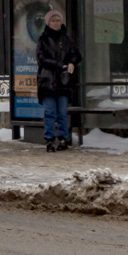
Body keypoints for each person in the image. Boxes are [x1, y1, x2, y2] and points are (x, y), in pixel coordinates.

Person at [36, 9, 82, 151]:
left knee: (62, 112)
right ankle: (49, 139)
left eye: (58, 20)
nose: (56, 23)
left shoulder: (66, 39)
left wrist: (72, 62)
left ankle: (63, 138)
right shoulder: (43, 39)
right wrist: (59, 64)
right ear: (48, 23)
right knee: (50, 112)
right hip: (47, 81)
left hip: (63, 81)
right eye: (53, 21)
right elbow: (41, 58)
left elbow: (76, 54)